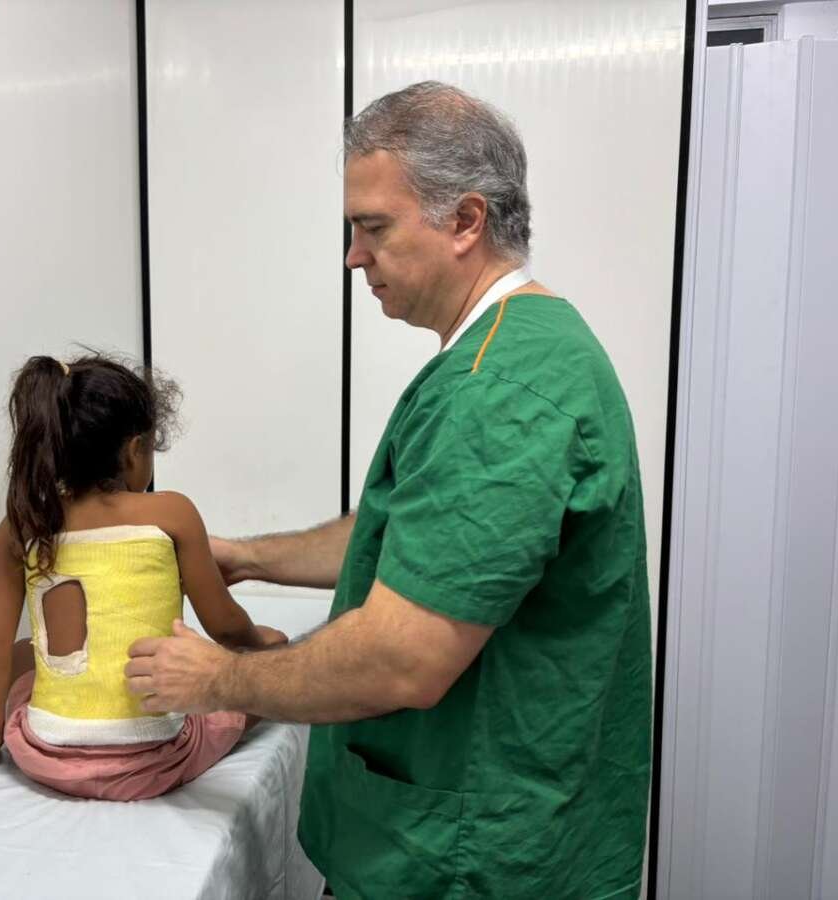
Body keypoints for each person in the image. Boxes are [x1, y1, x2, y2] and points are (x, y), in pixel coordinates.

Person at [125, 81, 652, 897]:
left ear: (466, 221)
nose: (353, 256)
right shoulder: (528, 345)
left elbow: (401, 661)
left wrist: (215, 678)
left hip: (472, 860)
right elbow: (424, 538)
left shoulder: (495, 395)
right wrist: (246, 556)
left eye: (373, 228)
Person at [0, 352, 285, 800]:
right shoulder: (172, 512)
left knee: (19, 654)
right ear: (133, 449)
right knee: (272, 647)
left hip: (47, 755)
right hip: (156, 757)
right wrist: (260, 649)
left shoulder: (23, 526)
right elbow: (225, 625)